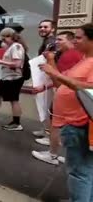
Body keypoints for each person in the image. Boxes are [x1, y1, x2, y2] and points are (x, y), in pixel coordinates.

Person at [40, 23, 93, 202]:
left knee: (79, 172)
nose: (74, 41)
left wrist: (58, 75)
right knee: (82, 170)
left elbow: (89, 88)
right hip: (73, 122)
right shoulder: (84, 60)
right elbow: (60, 84)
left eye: (78, 38)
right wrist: (51, 62)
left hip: (82, 124)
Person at [32, 31, 83, 165]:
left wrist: (50, 60)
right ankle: (62, 155)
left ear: (71, 41)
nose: (56, 43)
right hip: (73, 95)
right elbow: (64, 76)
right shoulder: (75, 55)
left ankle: (52, 155)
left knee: (56, 124)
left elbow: (58, 81)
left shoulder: (69, 56)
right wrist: (43, 87)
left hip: (66, 96)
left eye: (60, 40)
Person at [33, 19, 57, 139]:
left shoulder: (52, 43)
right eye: (40, 27)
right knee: (45, 105)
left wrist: (46, 83)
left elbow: (52, 64)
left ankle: (49, 136)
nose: (42, 29)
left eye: (45, 27)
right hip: (46, 77)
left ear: (52, 29)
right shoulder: (47, 42)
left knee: (48, 107)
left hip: (51, 79)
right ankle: (45, 130)